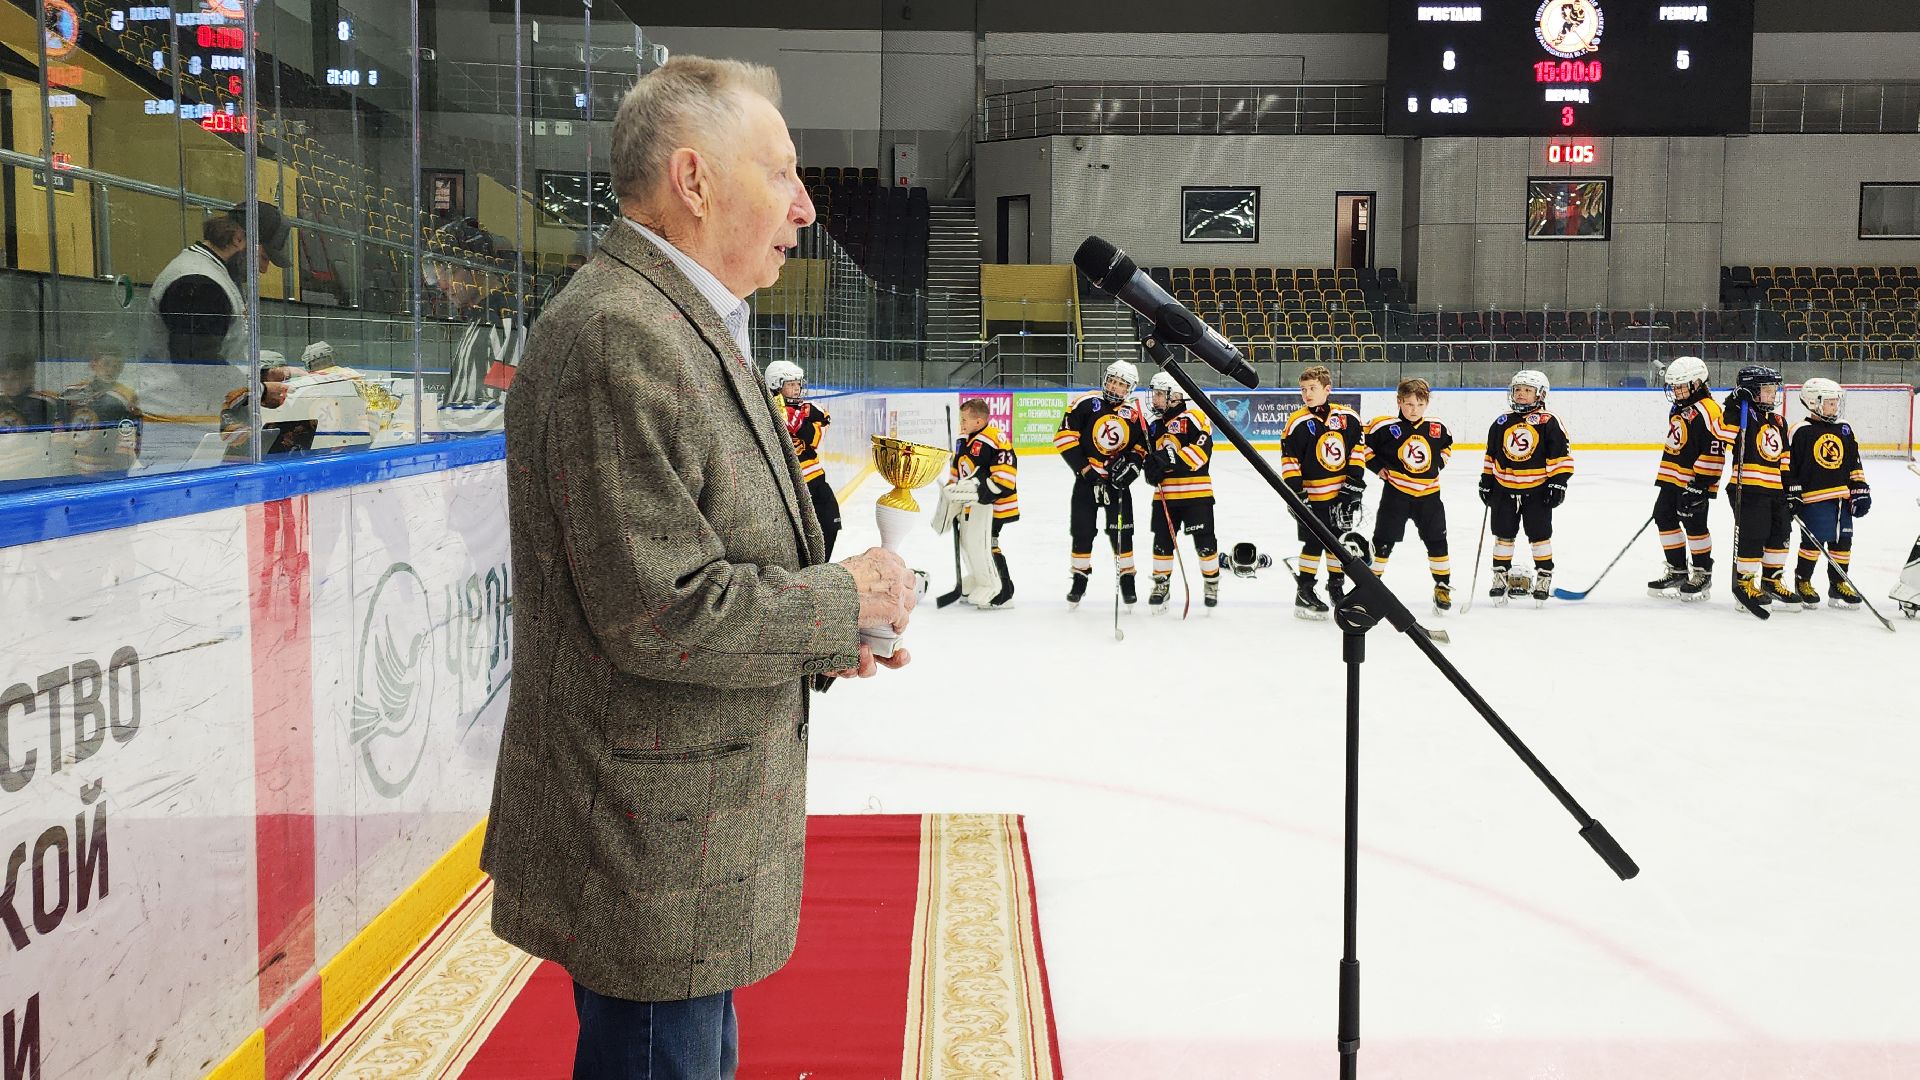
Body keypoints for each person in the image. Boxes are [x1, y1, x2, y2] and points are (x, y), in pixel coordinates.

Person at [480, 56, 916, 1080]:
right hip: (646, 837)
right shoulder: (616, 335)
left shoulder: (677, 322)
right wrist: (836, 600)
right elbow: (660, 613)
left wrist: (828, 630)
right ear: (694, 178)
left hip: (682, 829)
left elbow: (711, 550)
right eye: (782, 174)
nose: (806, 207)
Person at [139, 202, 295, 469]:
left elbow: (211, 354)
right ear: (238, 238)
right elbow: (197, 366)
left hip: (196, 426)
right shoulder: (198, 283)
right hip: (179, 435)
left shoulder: (212, 276)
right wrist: (258, 392)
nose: (264, 270)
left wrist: (260, 376)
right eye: (264, 257)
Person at [1056, 359, 1149, 608]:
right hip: (1087, 481)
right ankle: (1079, 578)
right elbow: (1064, 437)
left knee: (1122, 533)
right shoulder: (1086, 403)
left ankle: (1127, 579)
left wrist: (1133, 465)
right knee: (1082, 532)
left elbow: (1141, 447)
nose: (1114, 386)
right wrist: (1085, 470)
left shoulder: (1134, 414)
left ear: (1129, 388)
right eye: (1112, 380)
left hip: (1117, 485)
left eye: (1120, 384)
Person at [1479, 369, 1573, 603]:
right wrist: (1487, 480)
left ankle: (1543, 575)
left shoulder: (1549, 421)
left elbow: (1560, 455)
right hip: (1504, 488)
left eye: (1527, 391)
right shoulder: (1502, 421)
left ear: (1540, 395)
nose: (1521, 394)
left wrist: (1558, 483)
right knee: (1503, 535)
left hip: (1537, 490)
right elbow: (1491, 455)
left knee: (1539, 535)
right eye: (1517, 390)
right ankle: (1500, 576)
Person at [1362, 377, 1454, 611]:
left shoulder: (1437, 427)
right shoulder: (1383, 426)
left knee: (1437, 542)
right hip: (1396, 494)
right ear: (1399, 401)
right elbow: (1361, 445)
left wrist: (1439, 464)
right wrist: (1376, 468)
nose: (1415, 410)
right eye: (1410, 404)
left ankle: (1442, 586)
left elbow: (1446, 447)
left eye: (1420, 405)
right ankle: (1372, 586)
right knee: (1383, 541)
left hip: (1430, 496)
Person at [1280, 364, 1365, 619]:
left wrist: (1352, 488)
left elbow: (1357, 452)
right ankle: (1304, 591)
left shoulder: (1348, 417)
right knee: (1313, 544)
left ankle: (1336, 588)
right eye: (1303, 389)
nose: (1307, 393)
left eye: (1312, 388)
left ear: (1328, 389)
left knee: (1337, 543)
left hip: (1340, 495)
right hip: (1312, 497)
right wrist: (1298, 496)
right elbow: (1289, 462)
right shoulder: (1297, 422)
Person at [1647, 357, 1726, 600]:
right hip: (1673, 478)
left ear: (1698, 383)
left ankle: (1703, 573)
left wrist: (1701, 484)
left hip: (1695, 482)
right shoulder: (1681, 407)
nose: (1676, 391)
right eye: (1673, 386)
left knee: (1694, 524)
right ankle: (1678, 570)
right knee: (1663, 516)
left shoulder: (1709, 409)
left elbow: (1715, 448)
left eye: (1681, 386)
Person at [1787, 378, 1871, 609]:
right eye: (1831, 403)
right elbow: (1788, 466)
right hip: (1813, 499)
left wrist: (1860, 489)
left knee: (1843, 541)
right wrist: (1792, 492)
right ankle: (1803, 581)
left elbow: (1854, 462)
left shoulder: (1844, 428)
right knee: (1813, 542)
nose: (1835, 408)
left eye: (1836, 403)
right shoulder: (1799, 431)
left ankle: (1838, 583)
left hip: (1842, 498)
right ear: (1814, 403)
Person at [1143, 371, 1219, 611]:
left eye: (1158, 394)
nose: (1154, 399)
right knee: (1162, 543)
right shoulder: (1155, 426)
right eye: (1154, 393)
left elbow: (1200, 452)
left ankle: (1211, 582)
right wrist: (1150, 470)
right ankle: (1161, 584)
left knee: (1205, 543)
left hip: (1196, 495)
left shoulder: (1194, 417)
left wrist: (1168, 459)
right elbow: (1150, 459)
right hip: (1165, 496)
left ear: (1175, 396)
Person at [1720, 365, 1793, 608]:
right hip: (1749, 488)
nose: (1773, 394)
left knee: (1780, 533)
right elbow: (1722, 433)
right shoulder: (1742, 412)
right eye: (1767, 390)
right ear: (1751, 391)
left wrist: (1791, 488)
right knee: (1754, 534)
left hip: (1775, 490)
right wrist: (1732, 402)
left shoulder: (1778, 420)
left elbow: (1785, 457)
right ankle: (1745, 582)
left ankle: (1772, 581)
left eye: (1774, 389)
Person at [938, 397, 1018, 608]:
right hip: (971, 506)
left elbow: (1005, 478)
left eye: (965, 419)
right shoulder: (963, 439)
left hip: (994, 506)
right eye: (961, 418)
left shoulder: (995, 439)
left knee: (986, 545)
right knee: (969, 544)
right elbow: (957, 472)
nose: (961, 423)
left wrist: (981, 493)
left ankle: (1003, 592)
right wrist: (952, 494)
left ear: (979, 421)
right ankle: (980, 579)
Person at [765, 360, 840, 559]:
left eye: (798, 383)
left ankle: (820, 569)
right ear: (776, 386)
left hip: (815, 481)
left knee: (831, 521)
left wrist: (797, 422)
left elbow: (818, 436)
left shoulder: (808, 410)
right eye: (790, 384)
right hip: (787, 487)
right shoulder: (764, 414)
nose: (797, 388)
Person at [61, 351, 141, 476]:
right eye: (106, 363)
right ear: (93, 364)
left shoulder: (127, 397)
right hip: (72, 470)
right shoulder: (72, 392)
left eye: (117, 366)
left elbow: (129, 438)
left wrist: (116, 472)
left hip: (107, 473)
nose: (111, 370)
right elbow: (61, 430)